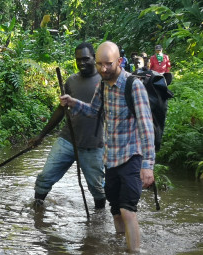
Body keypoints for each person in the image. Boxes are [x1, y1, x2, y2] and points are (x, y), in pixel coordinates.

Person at [59, 41, 155, 252]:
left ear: (119, 61)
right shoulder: (102, 85)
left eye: (108, 64)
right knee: (115, 211)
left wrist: (148, 165)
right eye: (100, 64)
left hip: (131, 156)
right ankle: (120, 247)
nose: (103, 69)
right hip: (110, 158)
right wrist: (73, 102)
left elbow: (146, 127)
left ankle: (134, 251)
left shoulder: (133, 86)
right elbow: (94, 111)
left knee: (128, 210)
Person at [31, 42, 106, 209]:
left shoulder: (104, 81)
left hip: (93, 145)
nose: (82, 63)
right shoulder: (72, 81)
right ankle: (36, 212)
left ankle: (99, 221)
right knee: (45, 177)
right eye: (78, 60)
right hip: (67, 140)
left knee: (97, 188)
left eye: (86, 59)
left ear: (94, 58)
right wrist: (41, 135)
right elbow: (61, 110)